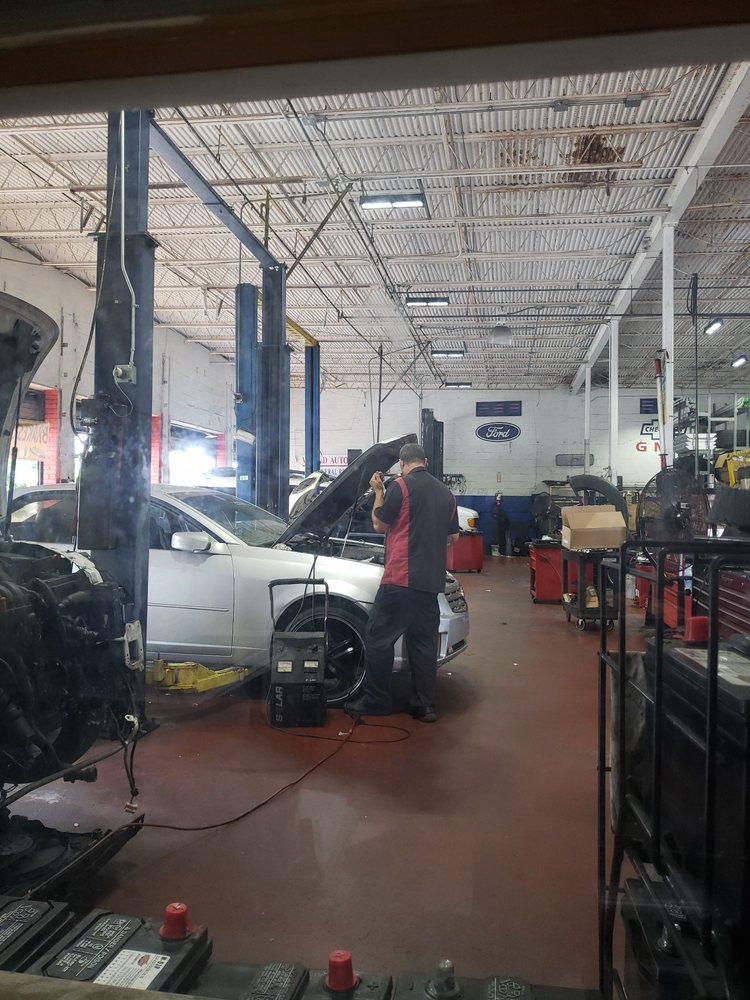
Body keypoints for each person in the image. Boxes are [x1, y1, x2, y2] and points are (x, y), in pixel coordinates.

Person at [344, 442, 460, 723]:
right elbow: (453, 537)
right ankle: (424, 706)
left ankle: (376, 701)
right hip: (430, 583)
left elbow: (379, 524)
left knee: (378, 638)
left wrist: (378, 492)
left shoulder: (401, 486)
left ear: (403, 464)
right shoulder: (446, 494)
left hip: (400, 579)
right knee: (423, 645)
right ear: (425, 462)